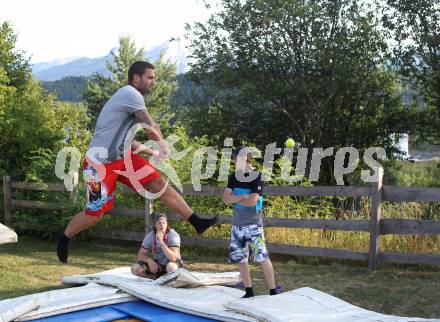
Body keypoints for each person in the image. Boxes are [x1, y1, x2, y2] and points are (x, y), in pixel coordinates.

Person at [57, 61, 218, 263]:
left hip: (122, 159)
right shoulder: (130, 94)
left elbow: (128, 140)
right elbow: (149, 124)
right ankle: (64, 238)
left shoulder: (130, 100)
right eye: (150, 78)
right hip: (97, 164)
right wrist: (162, 145)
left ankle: (197, 221)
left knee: (158, 183)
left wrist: (151, 151)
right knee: (94, 214)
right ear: (136, 78)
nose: (153, 82)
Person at [223, 147, 276, 298]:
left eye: (235, 158)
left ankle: (273, 291)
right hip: (237, 225)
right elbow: (226, 199)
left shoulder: (256, 176)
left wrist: (236, 198)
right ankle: (249, 291)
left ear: (245, 158)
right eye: (233, 158)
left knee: (262, 257)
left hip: (254, 226)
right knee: (241, 259)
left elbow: (253, 201)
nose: (233, 161)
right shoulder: (233, 176)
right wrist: (242, 197)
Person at [131, 214, 183, 278]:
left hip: (173, 262)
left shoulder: (173, 235)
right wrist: (149, 260)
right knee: (135, 269)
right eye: (159, 223)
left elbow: (173, 258)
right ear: (155, 225)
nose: (162, 225)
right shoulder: (150, 236)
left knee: (171, 268)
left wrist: (161, 242)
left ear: (167, 224)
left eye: (164, 223)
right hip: (158, 264)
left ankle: (170, 280)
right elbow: (140, 255)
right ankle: (154, 278)